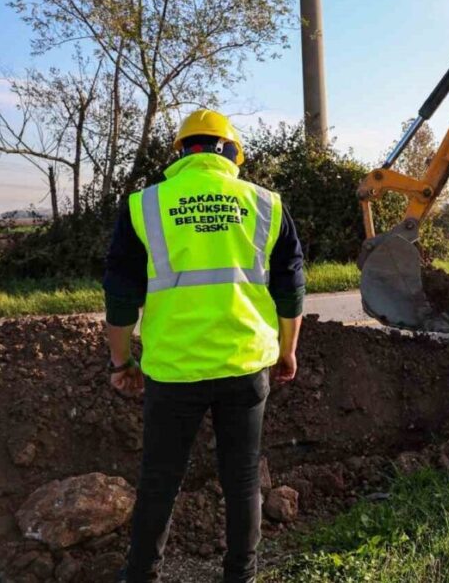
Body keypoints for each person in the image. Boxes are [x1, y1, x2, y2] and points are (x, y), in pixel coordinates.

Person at [103, 109, 306, 583]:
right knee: (242, 481)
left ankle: (141, 576)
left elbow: (120, 296)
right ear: (232, 152)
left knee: (160, 480)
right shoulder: (266, 204)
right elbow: (291, 290)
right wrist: (288, 349)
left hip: (173, 370)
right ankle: (242, 576)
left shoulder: (145, 205)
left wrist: (121, 361)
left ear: (181, 153)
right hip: (245, 367)